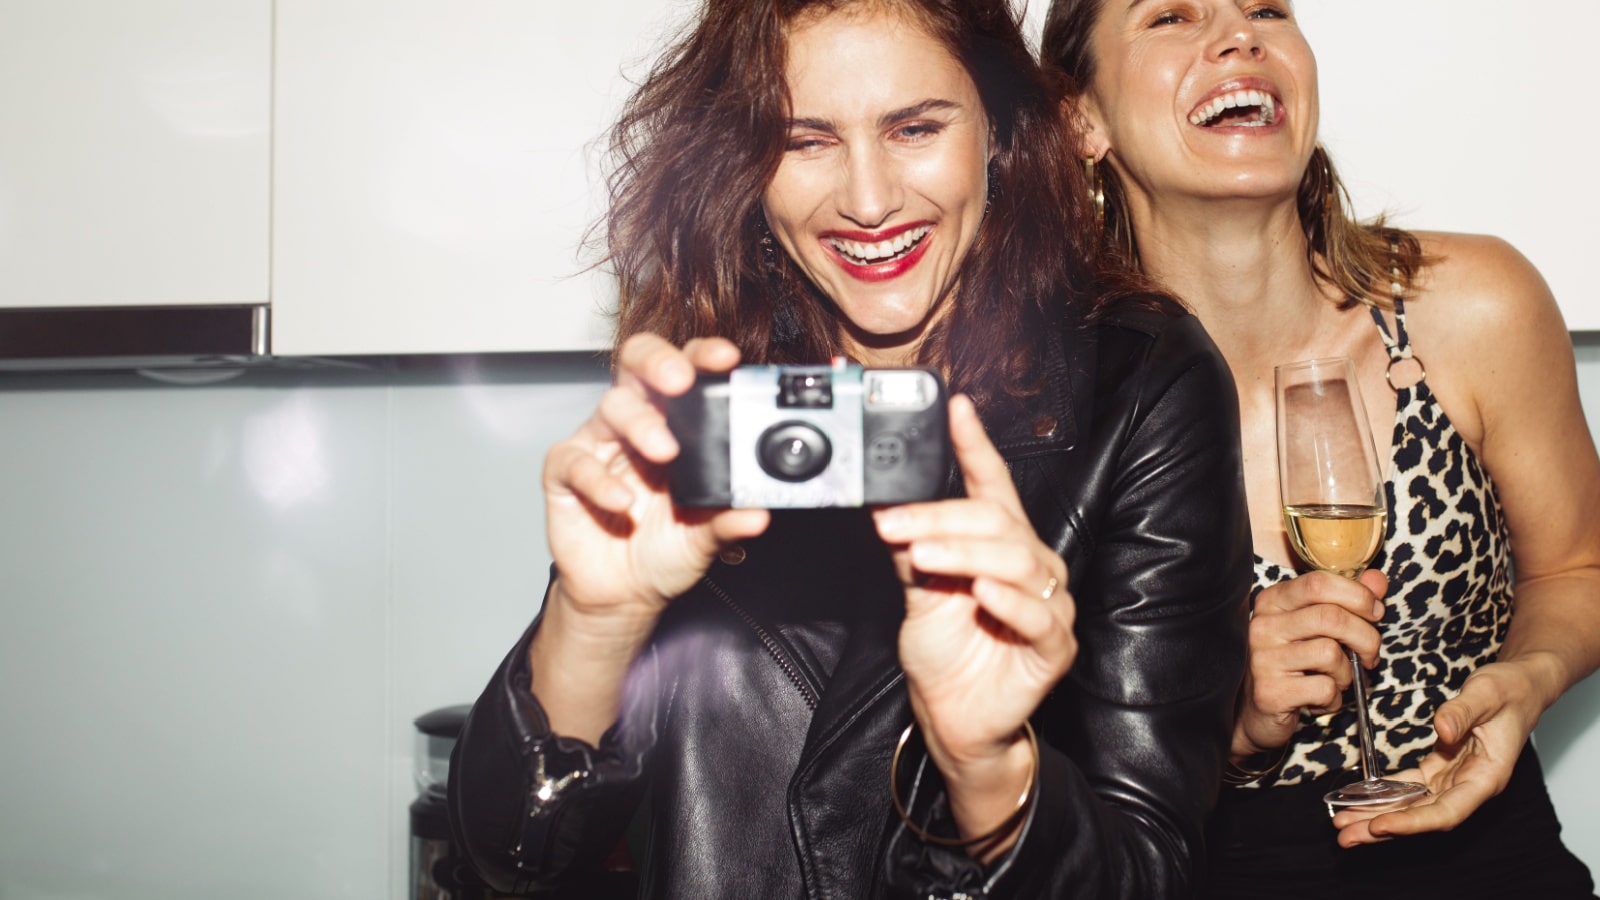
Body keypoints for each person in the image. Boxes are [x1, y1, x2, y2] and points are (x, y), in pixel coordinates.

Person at [447, 0, 1251, 897]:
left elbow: (1152, 872)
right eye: (805, 141)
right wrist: (596, 623)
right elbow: (507, 855)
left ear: (997, 127)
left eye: (914, 128)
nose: (868, 201)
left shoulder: (1136, 382)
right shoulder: (713, 386)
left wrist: (989, 770)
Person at [1042, 1, 1600, 897]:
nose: (1239, 35)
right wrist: (1219, 723)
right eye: (1171, 16)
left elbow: (1579, 567)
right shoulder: (1048, 408)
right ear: (1082, 119)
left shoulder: (1475, 308)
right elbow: (1020, 748)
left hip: (1494, 861)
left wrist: (1528, 679)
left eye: (1266, 8)